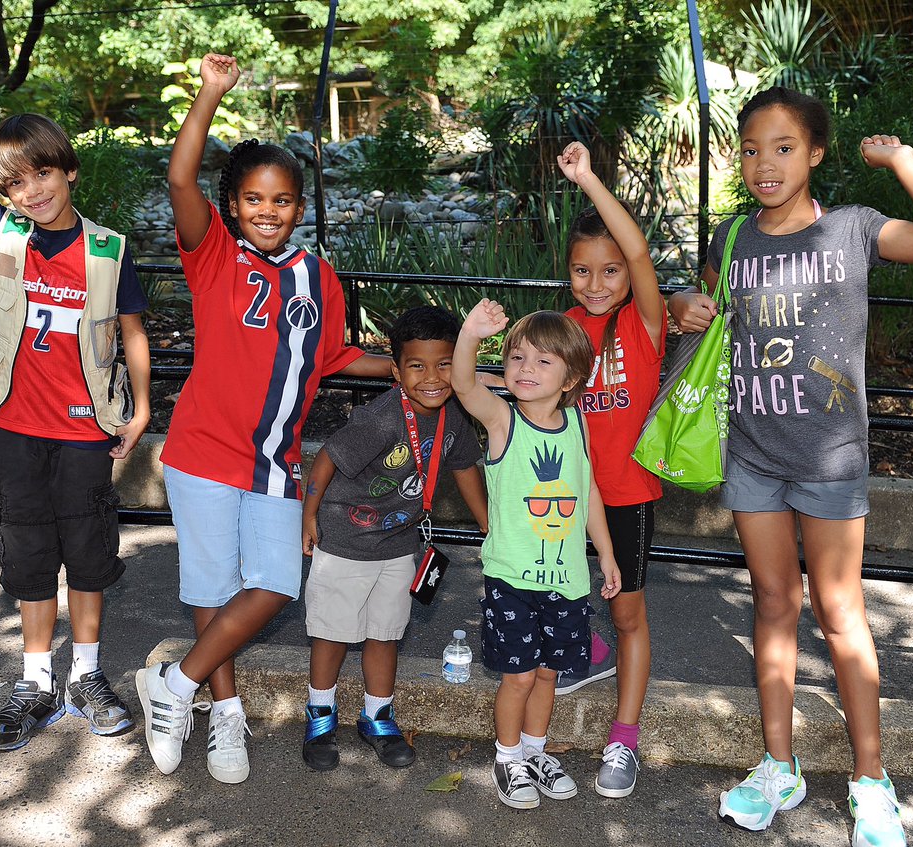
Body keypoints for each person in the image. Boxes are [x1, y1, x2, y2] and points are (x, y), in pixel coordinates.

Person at [668, 87, 913, 845]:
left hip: (829, 458)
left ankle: (871, 781)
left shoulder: (852, 230)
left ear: (815, 153)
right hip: (753, 454)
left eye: (782, 147)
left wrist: (904, 161)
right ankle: (780, 765)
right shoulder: (731, 236)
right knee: (773, 604)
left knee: (840, 616)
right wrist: (683, 302)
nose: (764, 163)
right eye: (750, 148)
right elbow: (701, 315)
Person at [134, 52, 393, 784]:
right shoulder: (212, 254)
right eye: (254, 199)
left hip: (275, 461)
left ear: (299, 207)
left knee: (277, 583)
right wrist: (210, 92)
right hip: (205, 451)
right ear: (234, 204)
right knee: (214, 591)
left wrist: (406, 367)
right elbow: (180, 178)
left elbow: (335, 356)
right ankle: (224, 718)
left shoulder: (320, 275)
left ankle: (175, 684)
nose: (268, 211)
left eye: (282, 200)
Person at [0, 29, 151, 750]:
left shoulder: (107, 248)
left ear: (68, 170)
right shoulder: (2, 230)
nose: (33, 191)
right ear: (4, 193)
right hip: (19, 430)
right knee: (27, 559)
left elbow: (134, 334)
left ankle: (85, 674)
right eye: (16, 182)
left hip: (87, 431)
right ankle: (35, 682)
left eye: (42, 173)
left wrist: (141, 409)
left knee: (86, 556)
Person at [300, 305, 489, 772]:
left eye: (444, 364)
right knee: (332, 635)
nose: (432, 377)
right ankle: (320, 715)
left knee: (384, 634)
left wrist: (491, 529)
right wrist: (308, 512)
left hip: (400, 545)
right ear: (396, 369)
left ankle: (376, 716)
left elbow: (465, 470)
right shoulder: (383, 417)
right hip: (345, 540)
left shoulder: (455, 420)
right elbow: (326, 458)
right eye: (417, 366)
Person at [452, 301, 621, 809]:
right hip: (512, 579)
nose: (526, 369)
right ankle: (508, 759)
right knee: (519, 674)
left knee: (549, 672)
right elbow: (463, 385)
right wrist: (471, 334)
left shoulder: (577, 425)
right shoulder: (503, 420)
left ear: (571, 377)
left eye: (543, 361)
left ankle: (535, 751)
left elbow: (587, 491)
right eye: (518, 358)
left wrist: (606, 554)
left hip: (566, 579)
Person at [555, 141, 667, 798]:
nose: (595, 284)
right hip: (567, 498)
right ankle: (588, 653)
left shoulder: (644, 324)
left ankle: (624, 739)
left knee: (628, 615)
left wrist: (590, 181)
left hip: (625, 496)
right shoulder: (563, 328)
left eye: (609, 271)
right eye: (581, 271)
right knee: (559, 597)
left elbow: (643, 253)